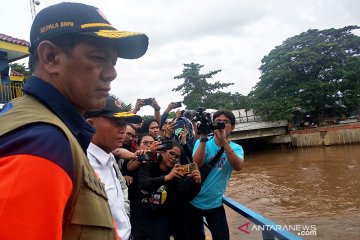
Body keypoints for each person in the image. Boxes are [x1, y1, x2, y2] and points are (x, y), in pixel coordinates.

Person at [0, 2, 148, 240]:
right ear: (50, 57)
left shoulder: (41, 125)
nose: (112, 73)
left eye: (113, 62)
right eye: (99, 57)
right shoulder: (42, 144)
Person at [85, 96, 143, 240]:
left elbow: (120, 193)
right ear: (91, 124)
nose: (123, 130)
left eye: (125, 124)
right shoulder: (81, 163)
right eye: (117, 123)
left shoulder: (109, 157)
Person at [186, 110, 244, 240]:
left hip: (215, 204)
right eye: (218, 122)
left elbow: (238, 166)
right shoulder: (203, 143)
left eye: (225, 122)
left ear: (232, 127)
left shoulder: (236, 148)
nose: (221, 125)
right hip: (194, 202)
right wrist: (203, 138)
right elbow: (196, 163)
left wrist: (224, 142)